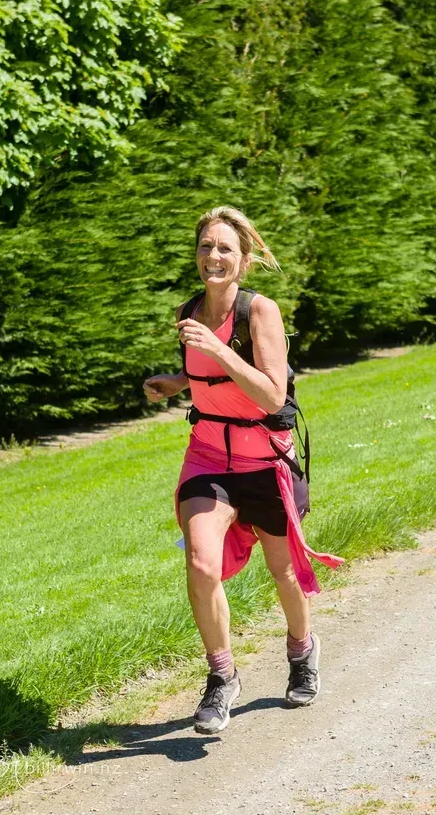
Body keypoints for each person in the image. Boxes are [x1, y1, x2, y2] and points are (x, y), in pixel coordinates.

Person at [143, 206, 342, 735]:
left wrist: (215, 350)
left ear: (244, 259)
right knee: (202, 565)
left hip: (264, 461)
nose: (214, 256)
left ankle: (301, 651)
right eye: (206, 246)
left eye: (225, 248)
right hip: (207, 457)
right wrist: (177, 380)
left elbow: (271, 391)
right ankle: (221, 677)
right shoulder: (189, 311)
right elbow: (211, 375)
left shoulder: (261, 312)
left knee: (283, 571)